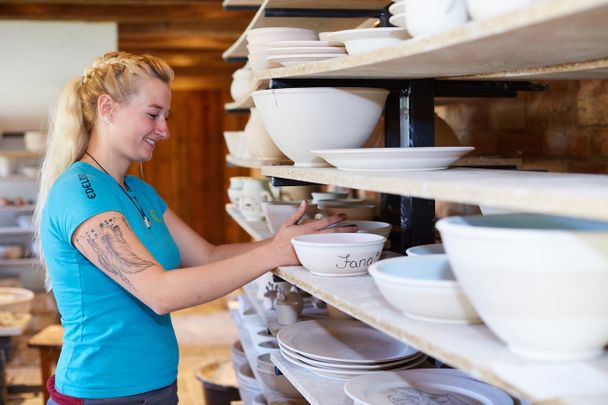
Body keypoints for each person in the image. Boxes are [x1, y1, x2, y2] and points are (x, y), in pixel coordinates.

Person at [34, 51, 356, 404]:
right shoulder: (80, 191)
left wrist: (282, 242)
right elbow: (159, 293)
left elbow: (207, 255)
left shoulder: (138, 190)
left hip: (157, 386)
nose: (165, 130)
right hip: (100, 393)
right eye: (153, 115)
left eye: (166, 117)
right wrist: (275, 254)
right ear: (107, 109)